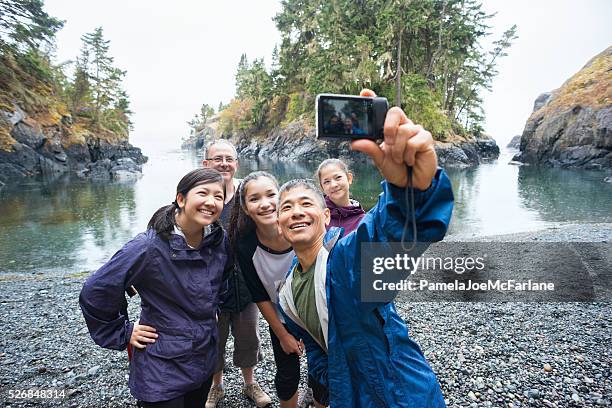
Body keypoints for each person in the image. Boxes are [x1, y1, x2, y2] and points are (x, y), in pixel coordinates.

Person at [276, 89, 454, 407]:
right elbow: (315, 346)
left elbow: (390, 235)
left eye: (306, 203)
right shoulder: (286, 293)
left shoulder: (343, 261)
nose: (297, 212)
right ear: (279, 225)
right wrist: (331, 379)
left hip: (400, 392)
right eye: (286, 208)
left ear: (326, 216)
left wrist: (411, 190)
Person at [80, 168, 231, 408]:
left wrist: (216, 306)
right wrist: (124, 331)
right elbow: (96, 289)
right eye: (203, 193)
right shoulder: (149, 247)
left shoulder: (217, 239)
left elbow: (223, 276)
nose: (211, 202)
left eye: (219, 196)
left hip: (203, 354)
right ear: (181, 199)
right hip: (162, 363)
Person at [228, 171, 315, 408]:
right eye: (255, 199)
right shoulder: (245, 245)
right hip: (283, 318)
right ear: (245, 207)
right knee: (287, 377)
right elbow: (258, 293)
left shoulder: (301, 228)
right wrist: (283, 334)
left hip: (319, 315)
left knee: (321, 375)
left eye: (271, 195)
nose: (265, 204)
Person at [202, 140, 271, 407]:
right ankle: (215, 386)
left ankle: (249, 384)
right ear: (206, 164)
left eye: (229, 159)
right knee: (214, 339)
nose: (224, 164)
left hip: (247, 282)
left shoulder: (247, 194)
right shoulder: (201, 195)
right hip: (209, 287)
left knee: (248, 337)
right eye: (217, 158)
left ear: (236, 163)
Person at [315, 158, 366, 233]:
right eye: (327, 182)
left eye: (338, 178)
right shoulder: (318, 215)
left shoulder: (363, 220)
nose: (333, 185)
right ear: (322, 187)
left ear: (349, 178)